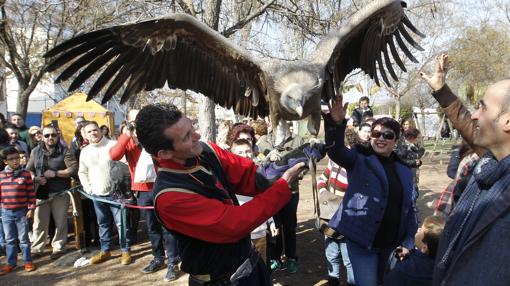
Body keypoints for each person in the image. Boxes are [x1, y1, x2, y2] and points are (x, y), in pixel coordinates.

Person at [134, 103, 310, 286]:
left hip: (250, 265)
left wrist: (288, 162)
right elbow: (234, 224)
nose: (197, 135)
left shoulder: (204, 151)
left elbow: (251, 176)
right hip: (222, 281)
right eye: (187, 136)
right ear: (164, 153)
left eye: (191, 127)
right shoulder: (169, 198)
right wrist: (282, 186)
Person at [420, 54, 510, 285]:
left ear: (507, 122)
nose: (474, 114)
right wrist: (442, 91)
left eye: (482, 107)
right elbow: (468, 125)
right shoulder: (490, 162)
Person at [325, 95, 418, 286]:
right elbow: (335, 151)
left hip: (391, 244)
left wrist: (409, 240)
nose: (381, 138)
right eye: (376, 134)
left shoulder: (404, 169)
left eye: (388, 135)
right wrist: (337, 124)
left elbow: (409, 207)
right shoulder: (359, 157)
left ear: (396, 140)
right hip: (362, 241)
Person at [109, 110, 180, 281]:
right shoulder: (129, 140)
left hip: (163, 185)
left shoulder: (155, 135)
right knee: (152, 227)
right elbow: (114, 155)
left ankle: (173, 262)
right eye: (133, 120)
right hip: (142, 189)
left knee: (168, 226)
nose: (137, 123)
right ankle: (158, 258)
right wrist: (127, 134)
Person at [78, 121, 132, 265]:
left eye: (95, 130)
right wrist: (89, 189)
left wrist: (124, 188)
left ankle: (125, 250)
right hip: (97, 194)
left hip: (116, 194)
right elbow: (82, 172)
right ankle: (105, 250)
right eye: (89, 132)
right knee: (103, 224)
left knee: (122, 224)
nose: (93, 133)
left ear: (100, 130)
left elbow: (126, 167)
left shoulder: (113, 145)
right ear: (85, 135)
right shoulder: (85, 151)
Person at [258, 125, 304, 274]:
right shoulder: (265, 140)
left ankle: (291, 258)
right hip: (270, 192)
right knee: (274, 227)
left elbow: (305, 163)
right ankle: (275, 258)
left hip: (290, 191)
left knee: (289, 226)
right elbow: (259, 154)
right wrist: (268, 155)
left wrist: (297, 171)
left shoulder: (298, 140)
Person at [27, 124, 77, 258]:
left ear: (57, 136)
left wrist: (56, 173)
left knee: (60, 222)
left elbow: (73, 169)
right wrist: (36, 178)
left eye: (53, 135)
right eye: (47, 135)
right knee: (39, 223)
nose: (50, 138)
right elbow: (28, 170)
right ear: (42, 137)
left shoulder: (65, 151)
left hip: (60, 192)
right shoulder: (35, 151)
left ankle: (59, 247)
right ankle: (37, 248)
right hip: (41, 193)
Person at [317, 129, 359, 286]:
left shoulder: (355, 163)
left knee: (348, 257)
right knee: (331, 252)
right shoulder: (333, 160)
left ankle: (351, 283)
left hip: (347, 216)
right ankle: (333, 280)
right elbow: (323, 178)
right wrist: (323, 192)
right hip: (330, 213)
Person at [230, 139, 278, 264]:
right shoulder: (228, 177)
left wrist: (271, 222)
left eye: (247, 151)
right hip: (239, 234)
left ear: (252, 152)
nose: (245, 155)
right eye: (240, 152)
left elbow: (265, 200)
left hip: (259, 231)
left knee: (260, 264)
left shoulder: (259, 175)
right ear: (232, 154)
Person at [0, 147, 36, 275]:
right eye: (11, 159)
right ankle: (11, 263)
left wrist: (31, 209)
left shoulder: (25, 174)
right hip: (6, 213)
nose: (15, 161)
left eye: (17, 158)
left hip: (22, 212)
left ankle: (27, 261)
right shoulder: (1, 176)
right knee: (9, 239)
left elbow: (31, 194)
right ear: (5, 161)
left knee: (24, 239)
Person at [383, 215, 445, 286]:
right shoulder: (443, 266)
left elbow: (388, 281)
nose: (418, 229)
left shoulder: (403, 270)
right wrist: (406, 254)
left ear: (424, 248)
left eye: (421, 230)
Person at [395, 128, 425, 203]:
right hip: (406, 173)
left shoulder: (415, 146)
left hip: (414, 173)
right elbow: (400, 161)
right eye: (417, 137)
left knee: (415, 193)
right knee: (413, 194)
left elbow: (417, 158)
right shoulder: (403, 146)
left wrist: (419, 162)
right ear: (412, 137)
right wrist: (414, 162)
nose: (418, 139)